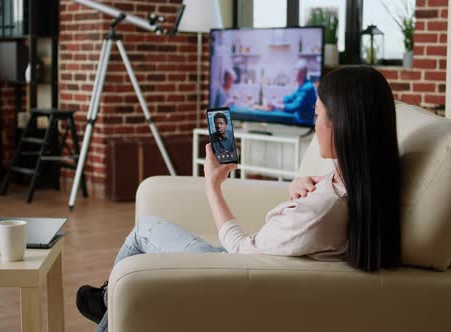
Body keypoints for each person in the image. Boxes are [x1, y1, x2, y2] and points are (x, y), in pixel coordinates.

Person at [76, 66, 402, 332]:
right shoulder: (366, 183)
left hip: (233, 274)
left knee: (144, 229)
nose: (314, 123)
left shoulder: (322, 210)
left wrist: (213, 186)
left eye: (317, 115)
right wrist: (299, 186)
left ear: (340, 125)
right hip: (257, 268)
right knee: (144, 236)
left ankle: (108, 302)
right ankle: (109, 300)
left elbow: (242, 249)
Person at [267, 59, 317, 124]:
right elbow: (290, 98)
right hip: (299, 120)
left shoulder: (307, 88)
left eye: (296, 71)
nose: (294, 73)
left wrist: (275, 104)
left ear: (302, 73)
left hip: (303, 123)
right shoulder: (303, 85)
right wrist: (275, 101)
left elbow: (293, 107)